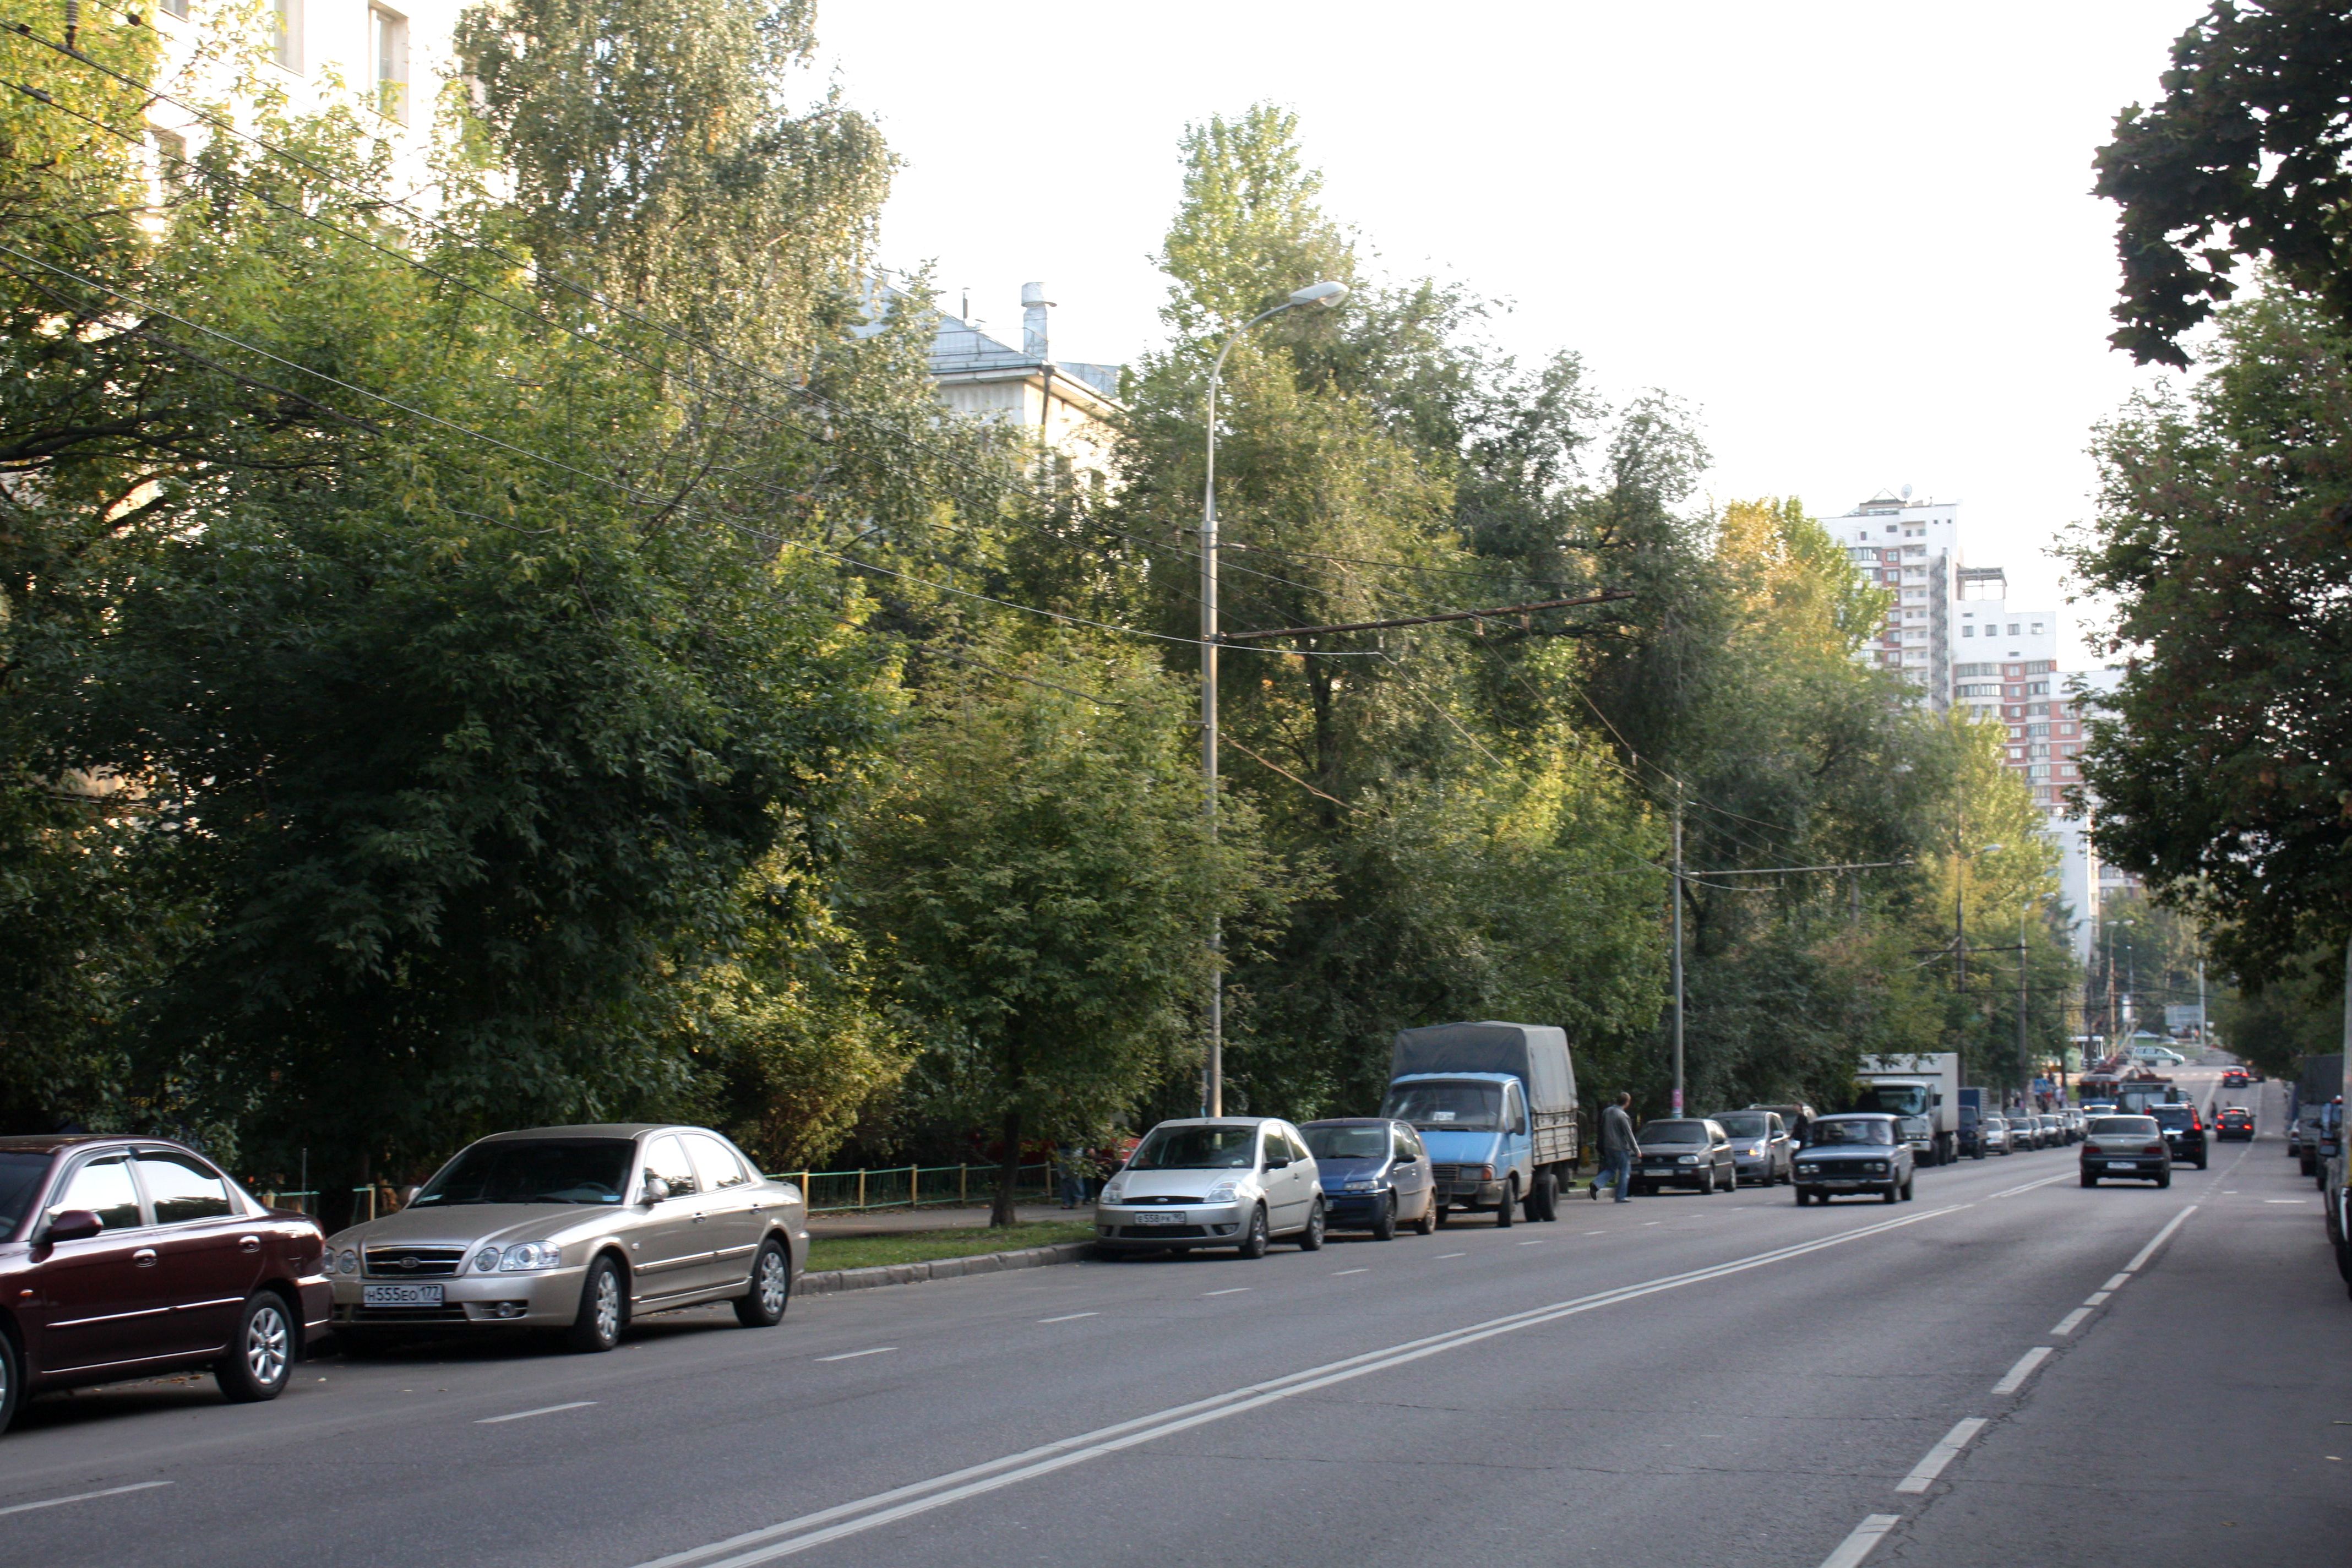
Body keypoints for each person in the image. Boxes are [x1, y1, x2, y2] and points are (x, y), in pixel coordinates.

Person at [1590, 1092, 1640, 1202]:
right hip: (1621, 1148)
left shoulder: (1607, 1112)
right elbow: (1629, 1134)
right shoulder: (1623, 1115)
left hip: (1608, 1146)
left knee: (1611, 1169)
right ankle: (1620, 1196)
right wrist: (1636, 1150)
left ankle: (1596, 1184)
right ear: (1627, 1103)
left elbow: (1601, 1128)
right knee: (1625, 1171)